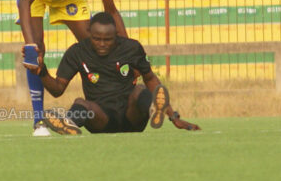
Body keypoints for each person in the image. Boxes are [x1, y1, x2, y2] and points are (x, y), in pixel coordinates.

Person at [14, 0, 128, 136]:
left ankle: (102, 108)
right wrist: (30, 44)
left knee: (94, 46)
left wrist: (127, 49)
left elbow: (111, 10)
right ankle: (39, 121)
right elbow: (25, 2)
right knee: (37, 49)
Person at [23, 12, 201, 134]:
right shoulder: (77, 52)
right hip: (101, 120)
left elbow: (150, 79)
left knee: (140, 90)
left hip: (133, 119)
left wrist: (174, 116)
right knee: (81, 103)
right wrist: (42, 71)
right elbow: (57, 89)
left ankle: (154, 111)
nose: (102, 44)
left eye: (107, 40)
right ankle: (68, 124)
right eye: (96, 39)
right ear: (88, 34)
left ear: (116, 35)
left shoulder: (131, 48)